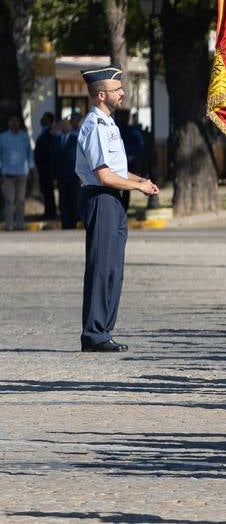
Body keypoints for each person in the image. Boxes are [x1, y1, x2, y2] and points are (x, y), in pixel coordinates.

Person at [75, 67, 159, 352]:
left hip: (114, 198)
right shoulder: (95, 125)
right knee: (102, 268)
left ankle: (104, 330)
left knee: (113, 269)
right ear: (101, 95)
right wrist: (138, 188)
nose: (122, 93)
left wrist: (139, 180)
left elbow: (117, 170)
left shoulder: (109, 124)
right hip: (102, 198)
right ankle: (95, 333)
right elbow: (103, 175)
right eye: (116, 89)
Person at [1, 114, 34, 232]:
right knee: (9, 201)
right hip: (7, 174)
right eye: (12, 121)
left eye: (16, 121)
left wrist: (31, 168)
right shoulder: (2, 137)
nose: (14, 123)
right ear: (9, 123)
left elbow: (29, 153)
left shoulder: (24, 137)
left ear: (19, 123)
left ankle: (20, 224)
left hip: (22, 172)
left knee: (20, 200)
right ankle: (9, 225)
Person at [56, 112, 83, 230]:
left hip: (73, 174)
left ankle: (74, 220)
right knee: (63, 199)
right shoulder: (57, 139)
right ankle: (65, 220)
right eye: (63, 125)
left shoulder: (76, 138)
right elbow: (53, 157)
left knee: (74, 197)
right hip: (61, 174)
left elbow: (80, 157)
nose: (65, 127)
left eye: (67, 125)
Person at [33, 112, 57, 219]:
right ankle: (48, 211)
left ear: (49, 120)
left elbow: (48, 150)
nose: (42, 120)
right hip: (42, 167)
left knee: (48, 191)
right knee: (45, 190)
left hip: (47, 167)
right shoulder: (43, 132)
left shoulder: (50, 132)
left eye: (45, 118)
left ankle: (51, 213)